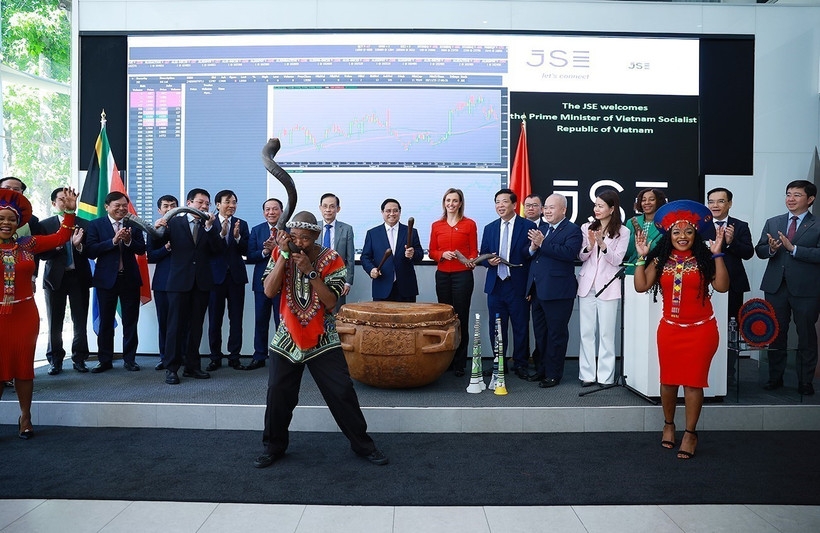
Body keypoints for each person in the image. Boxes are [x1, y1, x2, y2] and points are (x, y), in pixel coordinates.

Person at [254, 211, 388, 469]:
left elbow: (331, 302)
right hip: (287, 338)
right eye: (294, 237)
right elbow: (269, 290)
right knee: (278, 395)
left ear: (316, 237)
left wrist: (310, 271)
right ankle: (273, 447)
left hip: (323, 338)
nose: (299, 242)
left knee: (342, 392)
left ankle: (363, 445)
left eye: (305, 238)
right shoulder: (280, 254)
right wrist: (282, 257)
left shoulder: (332, 258)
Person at [633, 199, 729, 459]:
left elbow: (721, 286)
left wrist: (718, 253)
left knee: (693, 383)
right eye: (676, 232)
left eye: (688, 232)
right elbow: (641, 287)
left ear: (695, 233)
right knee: (668, 380)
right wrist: (642, 257)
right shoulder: (661, 259)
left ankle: (690, 433)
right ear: (669, 235)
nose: (683, 237)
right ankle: (668, 424)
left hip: (701, 331)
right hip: (670, 330)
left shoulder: (705, 258)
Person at [0, 187, 77, 439]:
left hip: (24, 315)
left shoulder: (27, 243)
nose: (6, 223)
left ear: (18, 222)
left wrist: (68, 212)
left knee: (24, 368)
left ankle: (25, 417)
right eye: (1, 218)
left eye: (11, 219)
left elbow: (60, 238)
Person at [153, 188, 225, 385]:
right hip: (178, 282)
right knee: (174, 326)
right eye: (200, 202)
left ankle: (192, 366)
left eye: (207, 204)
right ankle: (172, 368)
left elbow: (217, 250)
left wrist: (210, 228)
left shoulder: (209, 224)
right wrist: (157, 228)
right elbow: (153, 246)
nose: (204, 207)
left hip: (201, 283)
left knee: (196, 327)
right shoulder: (174, 222)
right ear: (189, 203)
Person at [755, 179, 820, 396]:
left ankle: (805, 381)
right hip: (776, 287)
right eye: (788, 194)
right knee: (776, 333)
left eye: (797, 195)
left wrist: (794, 249)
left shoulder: (817, 224)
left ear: (810, 199)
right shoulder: (773, 222)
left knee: (806, 335)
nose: (790, 199)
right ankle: (775, 378)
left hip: (806, 289)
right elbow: (760, 249)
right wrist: (772, 249)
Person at [478, 188, 537, 379]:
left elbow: (529, 255)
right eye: (497, 202)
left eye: (504, 202)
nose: (500, 206)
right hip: (496, 285)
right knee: (496, 328)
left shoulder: (527, 226)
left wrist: (533, 248)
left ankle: (520, 364)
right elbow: (483, 254)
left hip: (517, 284)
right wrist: (489, 262)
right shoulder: (490, 228)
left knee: (520, 326)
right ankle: (498, 363)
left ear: (513, 204)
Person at [85, 191, 146, 373]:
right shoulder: (96, 225)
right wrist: (112, 241)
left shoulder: (133, 224)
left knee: (130, 322)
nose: (121, 209)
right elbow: (90, 251)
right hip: (106, 280)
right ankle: (105, 360)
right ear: (107, 207)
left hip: (130, 279)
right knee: (105, 322)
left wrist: (128, 242)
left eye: (124, 205)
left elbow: (142, 249)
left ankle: (130, 359)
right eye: (117, 205)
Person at [526, 193, 583, 387]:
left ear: (564, 210)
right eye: (546, 207)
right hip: (538, 291)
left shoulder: (573, 230)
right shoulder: (542, 228)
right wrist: (533, 248)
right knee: (540, 334)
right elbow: (534, 258)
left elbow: (568, 254)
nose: (547, 211)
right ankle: (541, 370)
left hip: (559, 292)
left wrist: (542, 243)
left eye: (552, 207)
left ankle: (553, 374)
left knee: (556, 335)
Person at [576, 190, 630, 387]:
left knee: (607, 333)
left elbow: (617, 260)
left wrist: (603, 244)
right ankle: (587, 375)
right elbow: (581, 257)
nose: (596, 209)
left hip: (608, 285)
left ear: (612, 208)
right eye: (595, 205)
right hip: (587, 285)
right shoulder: (586, 227)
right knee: (586, 332)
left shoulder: (623, 232)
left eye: (600, 206)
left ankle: (605, 377)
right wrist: (590, 246)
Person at [37, 187, 92, 375]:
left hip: (79, 277)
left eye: (69, 198)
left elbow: (91, 251)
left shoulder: (85, 223)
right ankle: (55, 360)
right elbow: (42, 254)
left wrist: (78, 246)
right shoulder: (45, 225)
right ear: (54, 203)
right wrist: (59, 244)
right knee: (55, 321)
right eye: (61, 199)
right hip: (54, 279)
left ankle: (79, 358)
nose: (66, 202)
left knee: (80, 320)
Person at [428, 188, 478, 377]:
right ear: (444, 203)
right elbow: (432, 251)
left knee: (461, 317)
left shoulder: (470, 224)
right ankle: (446, 360)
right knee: (445, 318)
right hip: (442, 276)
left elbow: (474, 252)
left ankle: (459, 362)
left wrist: (469, 260)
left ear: (460, 203)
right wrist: (442, 254)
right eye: (448, 200)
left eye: (455, 200)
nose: (451, 204)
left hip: (462, 276)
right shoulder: (436, 225)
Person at [706, 187, 754, 384]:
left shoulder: (740, 226)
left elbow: (749, 253)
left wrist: (731, 242)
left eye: (720, 201)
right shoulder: (701, 225)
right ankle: (708, 371)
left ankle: (728, 374)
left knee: (731, 329)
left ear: (730, 204)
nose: (715, 205)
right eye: (711, 201)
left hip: (733, 285)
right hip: (706, 285)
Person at [207, 189, 249, 371]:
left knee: (236, 319)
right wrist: (222, 234)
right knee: (215, 320)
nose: (232, 205)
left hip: (236, 278)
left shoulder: (242, 224)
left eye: (234, 202)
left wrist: (237, 237)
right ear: (217, 205)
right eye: (228, 202)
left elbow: (246, 250)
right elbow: (208, 249)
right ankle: (215, 357)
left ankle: (234, 357)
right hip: (215, 278)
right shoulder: (208, 223)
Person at [245, 198, 283, 370]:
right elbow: (250, 255)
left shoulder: (287, 230)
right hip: (261, 284)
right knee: (261, 321)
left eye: (275, 209)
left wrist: (278, 248)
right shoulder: (256, 230)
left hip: (282, 284)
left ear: (281, 211)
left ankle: (282, 356)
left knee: (281, 321)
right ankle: (259, 355)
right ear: (263, 212)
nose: (271, 212)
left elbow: (295, 254)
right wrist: (266, 251)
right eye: (268, 209)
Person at [360, 198, 423, 302]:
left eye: (395, 210)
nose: (392, 214)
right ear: (382, 212)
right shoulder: (372, 233)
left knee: (407, 318)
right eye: (388, 211)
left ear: (400, 212)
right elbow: (365, 257)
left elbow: (420, 255)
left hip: (406, 288)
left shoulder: (411, 231)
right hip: (382, 285)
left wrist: (413, 254)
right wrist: (371, 269)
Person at [146, 194, 178, 371]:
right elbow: (151, 256)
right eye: (165, 206)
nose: (169, 209)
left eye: (172, 205)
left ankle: (181, 356)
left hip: (183, 282)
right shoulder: (154, 229)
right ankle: (165, 357)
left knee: (181, 321)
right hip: (162, 283)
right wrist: (166, 248)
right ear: (159, 210)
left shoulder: (184, 227)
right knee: (164, 321)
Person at [318, 193, 355, 311]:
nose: (328, 210)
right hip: (316, 278)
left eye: (332, 206)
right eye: (325, 206)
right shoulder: (314, 227)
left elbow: (350, 258)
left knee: (336, 317)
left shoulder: (347, 229)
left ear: (338, 209)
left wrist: (348, 282)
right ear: (320, 208)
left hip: (338, 279)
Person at [624, 188, 667, 274]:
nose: (647, 202)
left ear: (659, 201)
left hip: (655, 271)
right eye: (643, 200)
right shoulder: (631, 222)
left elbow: (664, 251)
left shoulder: (665, 224)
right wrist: (636, 236)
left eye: (652, 199)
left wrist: (646, 240)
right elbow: (626, 252)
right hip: (632, 271)